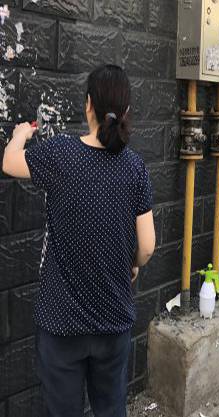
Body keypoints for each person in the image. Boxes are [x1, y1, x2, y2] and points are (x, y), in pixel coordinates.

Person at [1, 65, 155, 417]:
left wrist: (20, 135)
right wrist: (132, 263)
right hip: (113, 321)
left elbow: (9, 163)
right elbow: (147, 245)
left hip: (61, 326)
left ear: (88, 105)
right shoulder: (135, 167)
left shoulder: (60, 153)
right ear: (126, 111)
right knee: (111, 410)